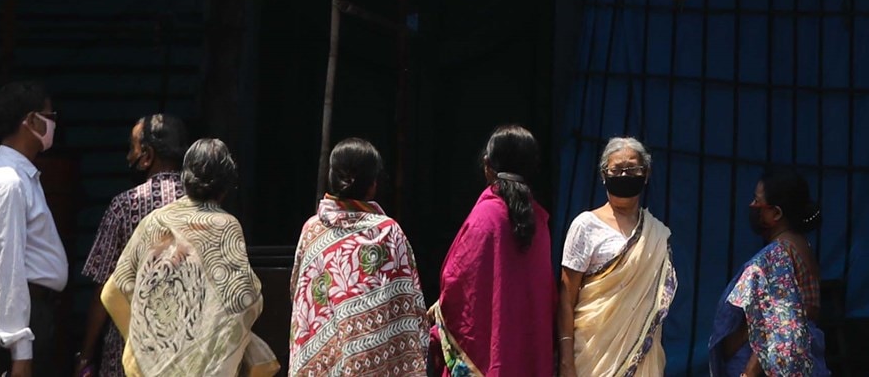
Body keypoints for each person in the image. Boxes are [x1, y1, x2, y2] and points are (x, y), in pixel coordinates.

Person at [100, 138, 278, 377]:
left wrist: (141, 346)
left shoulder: (154, 221)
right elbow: (245, 300)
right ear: (226, 185)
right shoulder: (225, 226)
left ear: (185, 177)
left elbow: (112, 293)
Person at [288, 137, 426, 377]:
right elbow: (411, 303)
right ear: (372, 184)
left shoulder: (312, 230)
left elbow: (300, 297)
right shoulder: (388, 231)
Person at [432, 125, 557, 377]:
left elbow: (456, 284)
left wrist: (438, 312)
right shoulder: (539, 222)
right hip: (525, 353)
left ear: (488, 165)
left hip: (487, 355)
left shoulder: (485, 217)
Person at [0, 81, 68, 377]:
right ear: (32, 120)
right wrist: (20, 351)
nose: (53, 124)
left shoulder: (8, 177)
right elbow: (6, 267)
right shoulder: (8, 183)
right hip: (21, 322)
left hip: (14, 318)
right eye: (50, 117)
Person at [76, 114, 189, 377]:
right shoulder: (203, 210)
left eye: (132, 149)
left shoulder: (124, 207)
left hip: (128, 355)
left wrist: (85, 356)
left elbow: (102, 290)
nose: (129, 157)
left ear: (147, 155)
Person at [555, 136, 676, 377]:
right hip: (591, 358)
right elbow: (566, 300)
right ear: (604, 175)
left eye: (632, 168)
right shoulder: (585, 226)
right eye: (617, 170)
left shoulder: (657, 234)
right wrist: (566, 362)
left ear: (646, 174)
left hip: (641, 360)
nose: (624, 176)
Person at [708, 166, 830, 377]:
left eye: (757, 201)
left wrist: (748, 373)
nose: (752, 206)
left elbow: (778, 324)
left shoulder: (778, 255)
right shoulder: (802, 246)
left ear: (776, 213)